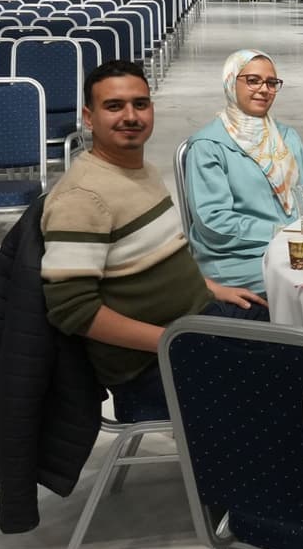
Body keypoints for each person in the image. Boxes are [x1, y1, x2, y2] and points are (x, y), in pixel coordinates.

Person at [42, 60, 268, 423]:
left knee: (302, 327)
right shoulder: (82, 197)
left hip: (195, 322)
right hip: (149, 366)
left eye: (140, 104)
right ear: (89, 117)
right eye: (114, 106)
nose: (130, 116)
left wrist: (211, 287)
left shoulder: (138, 170)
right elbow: (73, 311)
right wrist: (171, 342)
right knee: (299, 381)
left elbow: (159, 256)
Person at [185, 49, 303, 294]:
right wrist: (283, 232)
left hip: (300, 247)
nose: (264, 89)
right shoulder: (209, 145)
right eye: (252, 80)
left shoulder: (286, 137)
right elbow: (213, 222)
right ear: (230, 81)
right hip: (240, 260)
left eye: (271, 83)